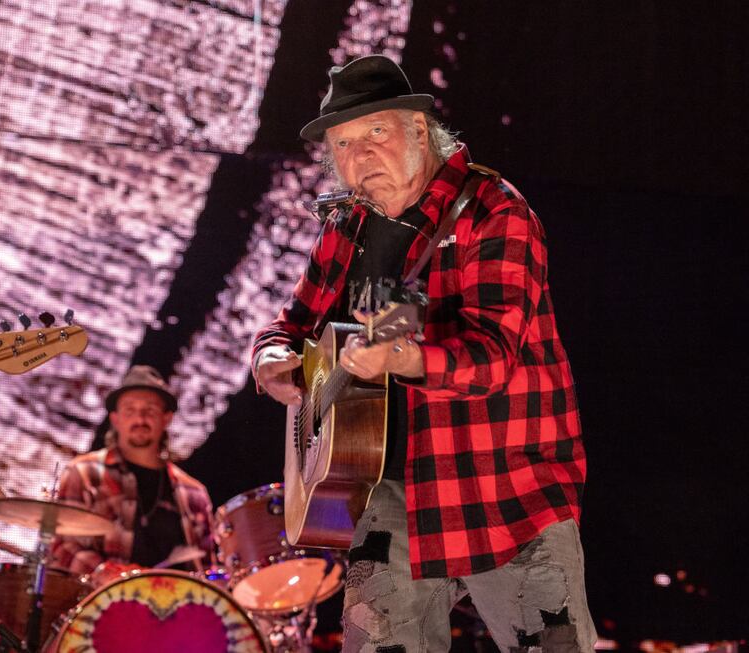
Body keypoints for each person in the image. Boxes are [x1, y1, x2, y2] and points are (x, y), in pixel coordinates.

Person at [252, 55, 596, 652]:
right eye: (344, 144)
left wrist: (404, 360)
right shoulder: (345, 227)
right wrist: (271, 360)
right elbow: (290, 326)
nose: (360, 157)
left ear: (418, 131)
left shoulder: (494, 211)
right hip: (387, 489)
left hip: (504, 485)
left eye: (375, 134)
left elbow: (491, 358)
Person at [50, 365, 215, 576]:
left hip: (176, 604)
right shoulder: (83, 473)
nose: (140, 420)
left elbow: (208, 568)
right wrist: (105, 573)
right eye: (130, 410)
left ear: (166, 418)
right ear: (115, 419)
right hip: (104, 604)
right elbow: (61, 547)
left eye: (150, 410)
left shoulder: (195, 493)